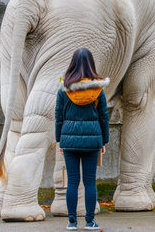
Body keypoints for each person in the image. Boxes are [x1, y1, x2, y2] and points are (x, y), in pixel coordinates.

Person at [55, 48, 110, 231]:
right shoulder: (97, 90)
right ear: (90, 65)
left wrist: (59, 140)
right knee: (89, 182)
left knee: (72, 182)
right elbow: (104, 116)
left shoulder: (64, 89)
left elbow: (59, 116)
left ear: (72, 65)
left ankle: (71, 222)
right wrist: (103, 141)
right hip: (92, 141)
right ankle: (89, 222)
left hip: (69, 141)